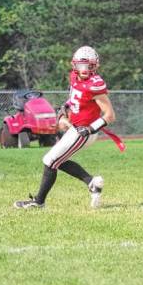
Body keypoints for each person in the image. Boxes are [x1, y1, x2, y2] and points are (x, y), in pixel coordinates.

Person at [14, 46, 116, 209]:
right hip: (75, 128)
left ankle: (39, 202)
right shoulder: (74, 77)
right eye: (80, 65)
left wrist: (89, 129)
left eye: (88, 66)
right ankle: (91, 183)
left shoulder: (94, 84)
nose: (83, 70)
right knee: (57, 160)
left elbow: (109, 115)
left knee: (50, 160)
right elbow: (74, 99)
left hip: (84, 131)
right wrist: (63, 110)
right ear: (74, 65)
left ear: (94, 66)